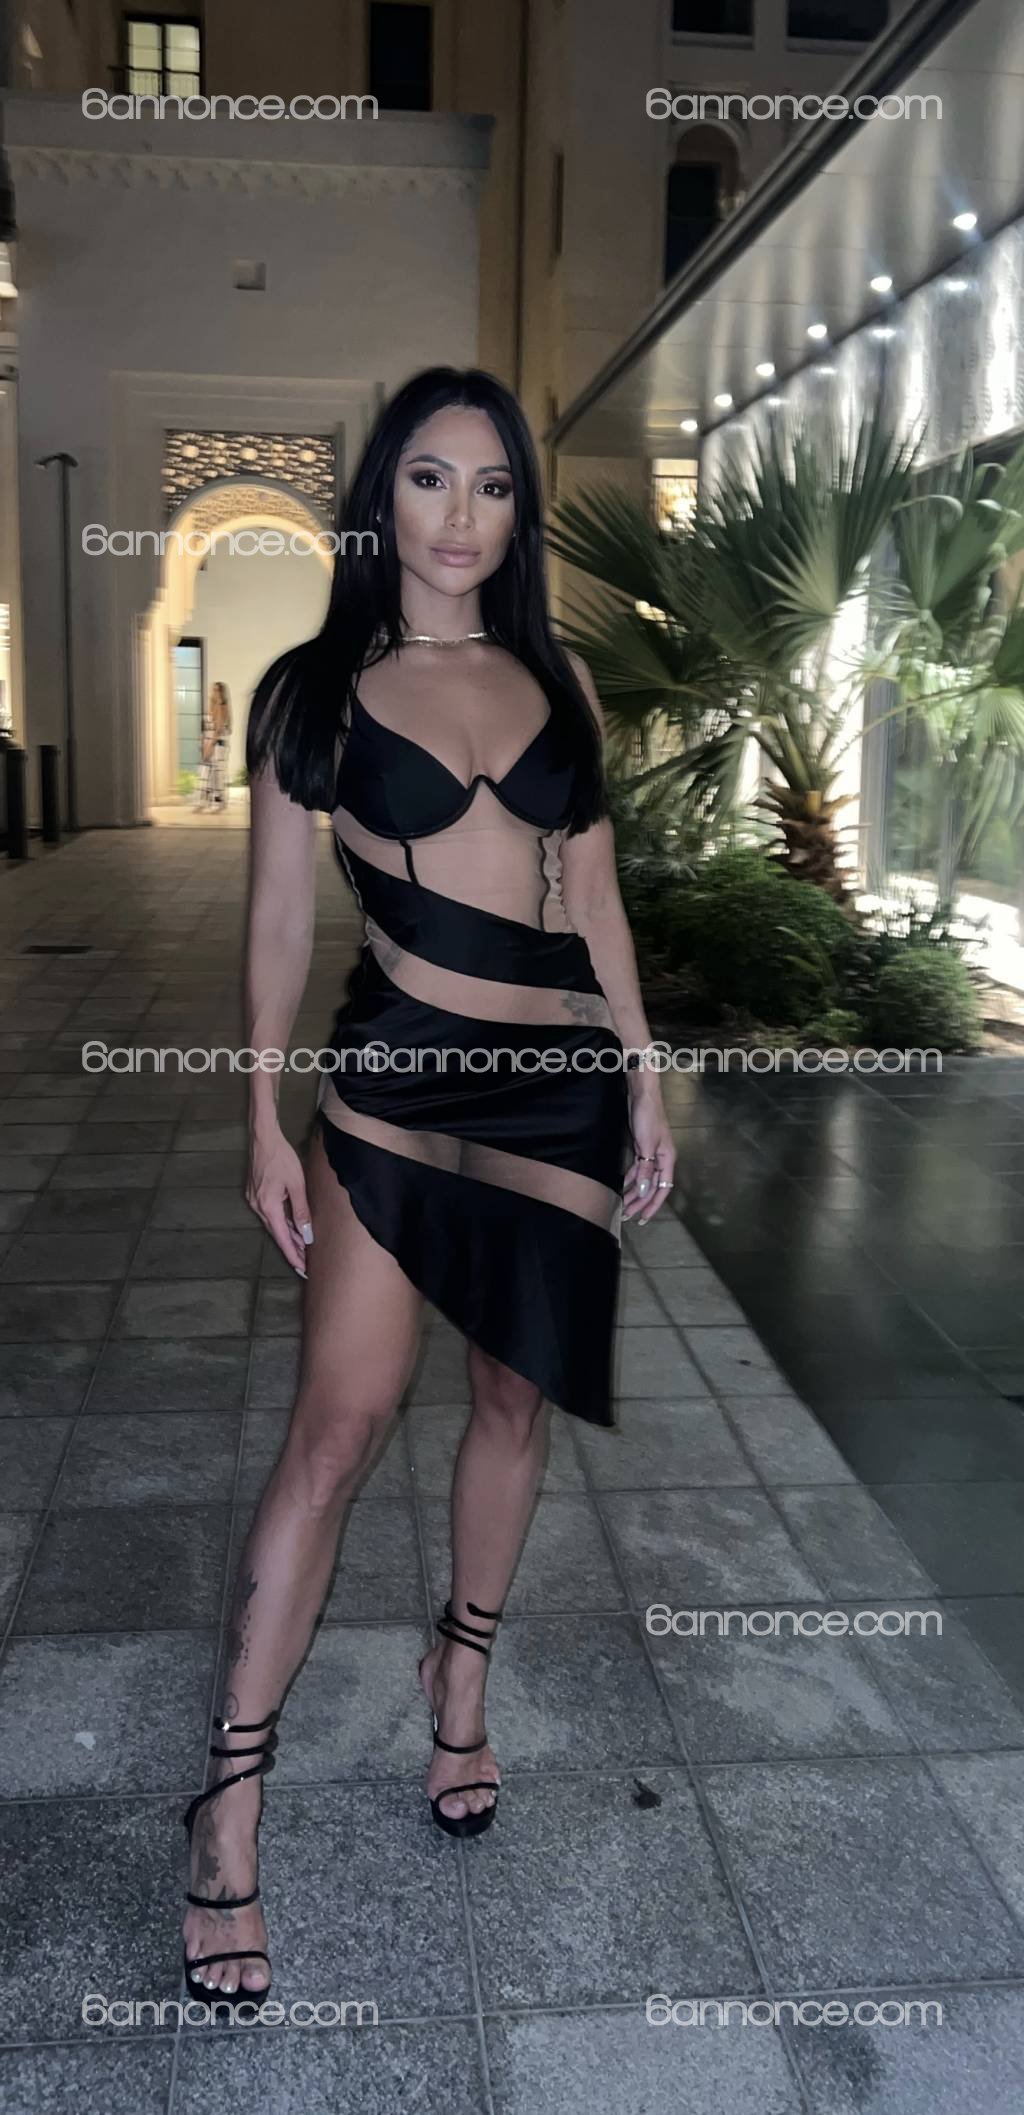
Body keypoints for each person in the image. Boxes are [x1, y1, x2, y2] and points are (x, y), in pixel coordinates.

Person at [180, 367, 676, 2002]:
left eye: (494, 486)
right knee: (339, 1427)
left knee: (516, 1400)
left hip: (557, 1101)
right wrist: (263, 1122)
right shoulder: (313, 691)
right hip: (391, 1095)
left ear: (519, 512)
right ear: (380, 499)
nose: (463, 517)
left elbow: (593, 896)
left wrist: (644, 1070)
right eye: (430, 480)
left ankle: (459, 1683)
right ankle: (230, 1798)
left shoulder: (559, 677)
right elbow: (276, 923)